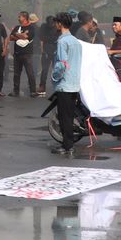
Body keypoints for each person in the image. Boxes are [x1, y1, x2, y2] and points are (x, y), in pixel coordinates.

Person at [47, 12, 82, 156]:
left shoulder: (62, 42)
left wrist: (54, 77)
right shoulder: (76, 41)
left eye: (56, 23)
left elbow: (62, 64)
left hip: (64, 84)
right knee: (69, 116)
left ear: (60, 24)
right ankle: (68, 144)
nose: (55, 25)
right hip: (74, 84)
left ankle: (67, 146)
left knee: (64, 117)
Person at [8, 11, 37, 97]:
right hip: (17, 53)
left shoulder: (31, 28)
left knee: (30, 72)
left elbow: (26, 37)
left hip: (27, 53)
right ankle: (16, 91)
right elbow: (11, 37)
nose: (18, 18)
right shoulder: (17, 27)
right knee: (16, 73)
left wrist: (16, 34)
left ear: (25, 18)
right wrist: (20, 35)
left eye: (20, 17)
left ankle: (33, 91)